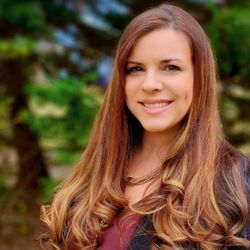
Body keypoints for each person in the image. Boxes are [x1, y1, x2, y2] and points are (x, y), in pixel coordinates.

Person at [39, 3, 250, 250]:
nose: (150, 84)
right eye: (135, 69)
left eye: (171, 67)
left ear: (199, 77)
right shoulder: (96, 171)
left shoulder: (235, 184)